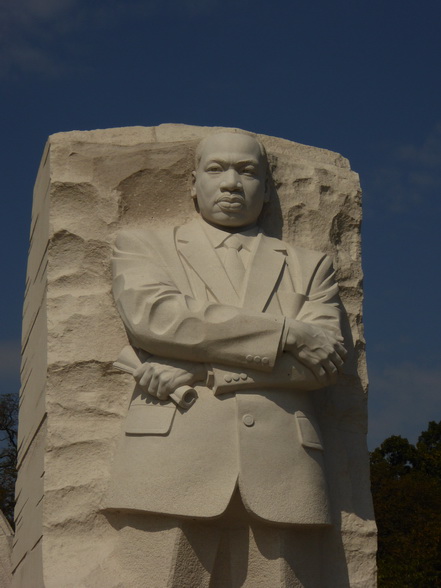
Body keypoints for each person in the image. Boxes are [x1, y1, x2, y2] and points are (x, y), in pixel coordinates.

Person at [106, 131, 347, 586]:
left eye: (248, 171)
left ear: (268, 190)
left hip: (285, 467)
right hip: (171, 455)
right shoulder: (144, 246)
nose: (232, 183)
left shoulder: (310, 265)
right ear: (192, 183)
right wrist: (286, 330)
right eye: (217, 169)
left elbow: (324, 363)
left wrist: (203, 369)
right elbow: (159, 318)